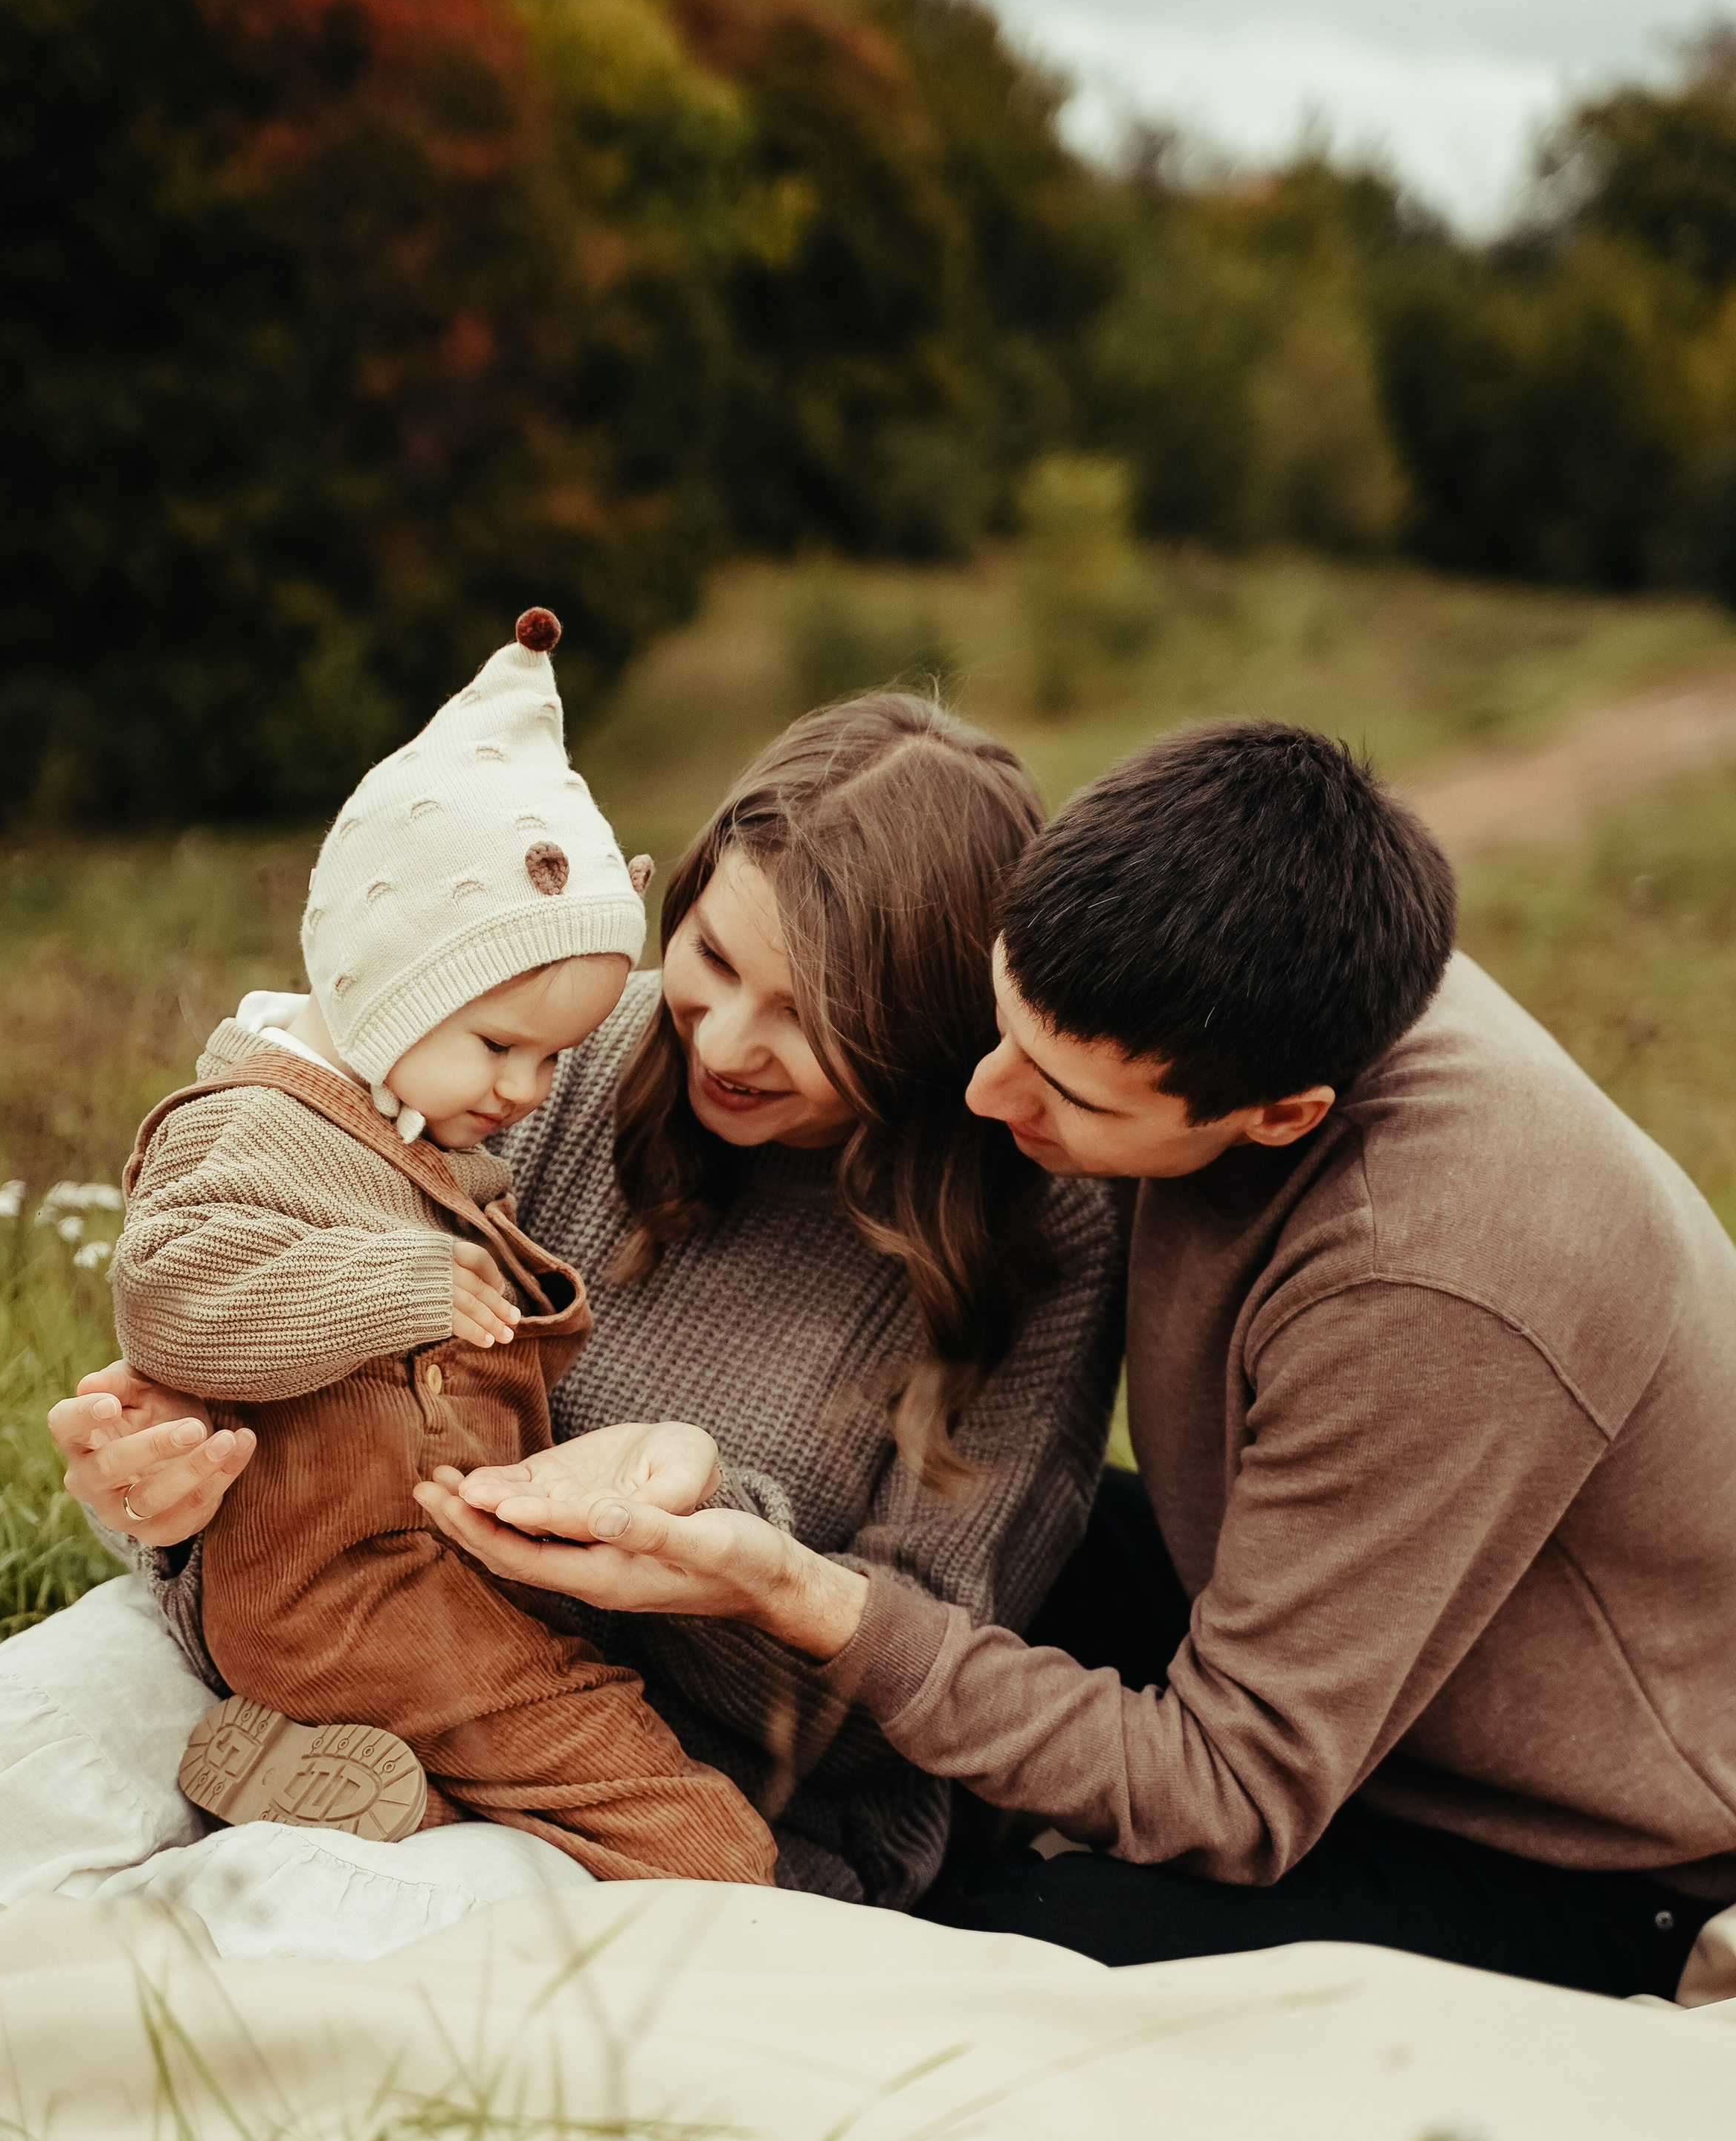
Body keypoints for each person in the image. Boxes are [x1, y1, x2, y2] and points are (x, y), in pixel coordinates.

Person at [416, 720, 1736, 2001]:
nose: (984, 1099)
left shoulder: (1428, 1281)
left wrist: (798, 1592)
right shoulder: (1245, 956)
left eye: (1069, 1096)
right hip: (1310, 1611)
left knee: (995, 1964)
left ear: (1282, 1118)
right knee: (1003, 1556)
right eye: (999, 1026)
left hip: (1564, 1821)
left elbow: (1237, 1790)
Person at [55, 694, 1122, 1909]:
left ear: (925, 1031)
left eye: (810, 1019)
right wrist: (172, 1492)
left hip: (706, 1793)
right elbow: (310, 1376)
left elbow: (909, 1713)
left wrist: (703, 1533)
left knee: (310, 1939)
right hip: (366, 1661)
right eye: (713, 960)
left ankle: (408, 1814)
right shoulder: (544, 1047)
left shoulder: (1037, 1236)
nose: (725, 1043)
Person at [109, 608, 775, 1886]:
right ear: (382, 983)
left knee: (573, 1739)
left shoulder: (405, 1128)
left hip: (412, 1582)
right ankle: (645, 1879)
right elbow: (167, 1290)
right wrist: (402, 1281)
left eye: (554, 1058)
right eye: (499, 1046)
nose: (527, 1089)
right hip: (347, 1595)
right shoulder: (255, 1123)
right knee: (703, 1839)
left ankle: (388, 1805)